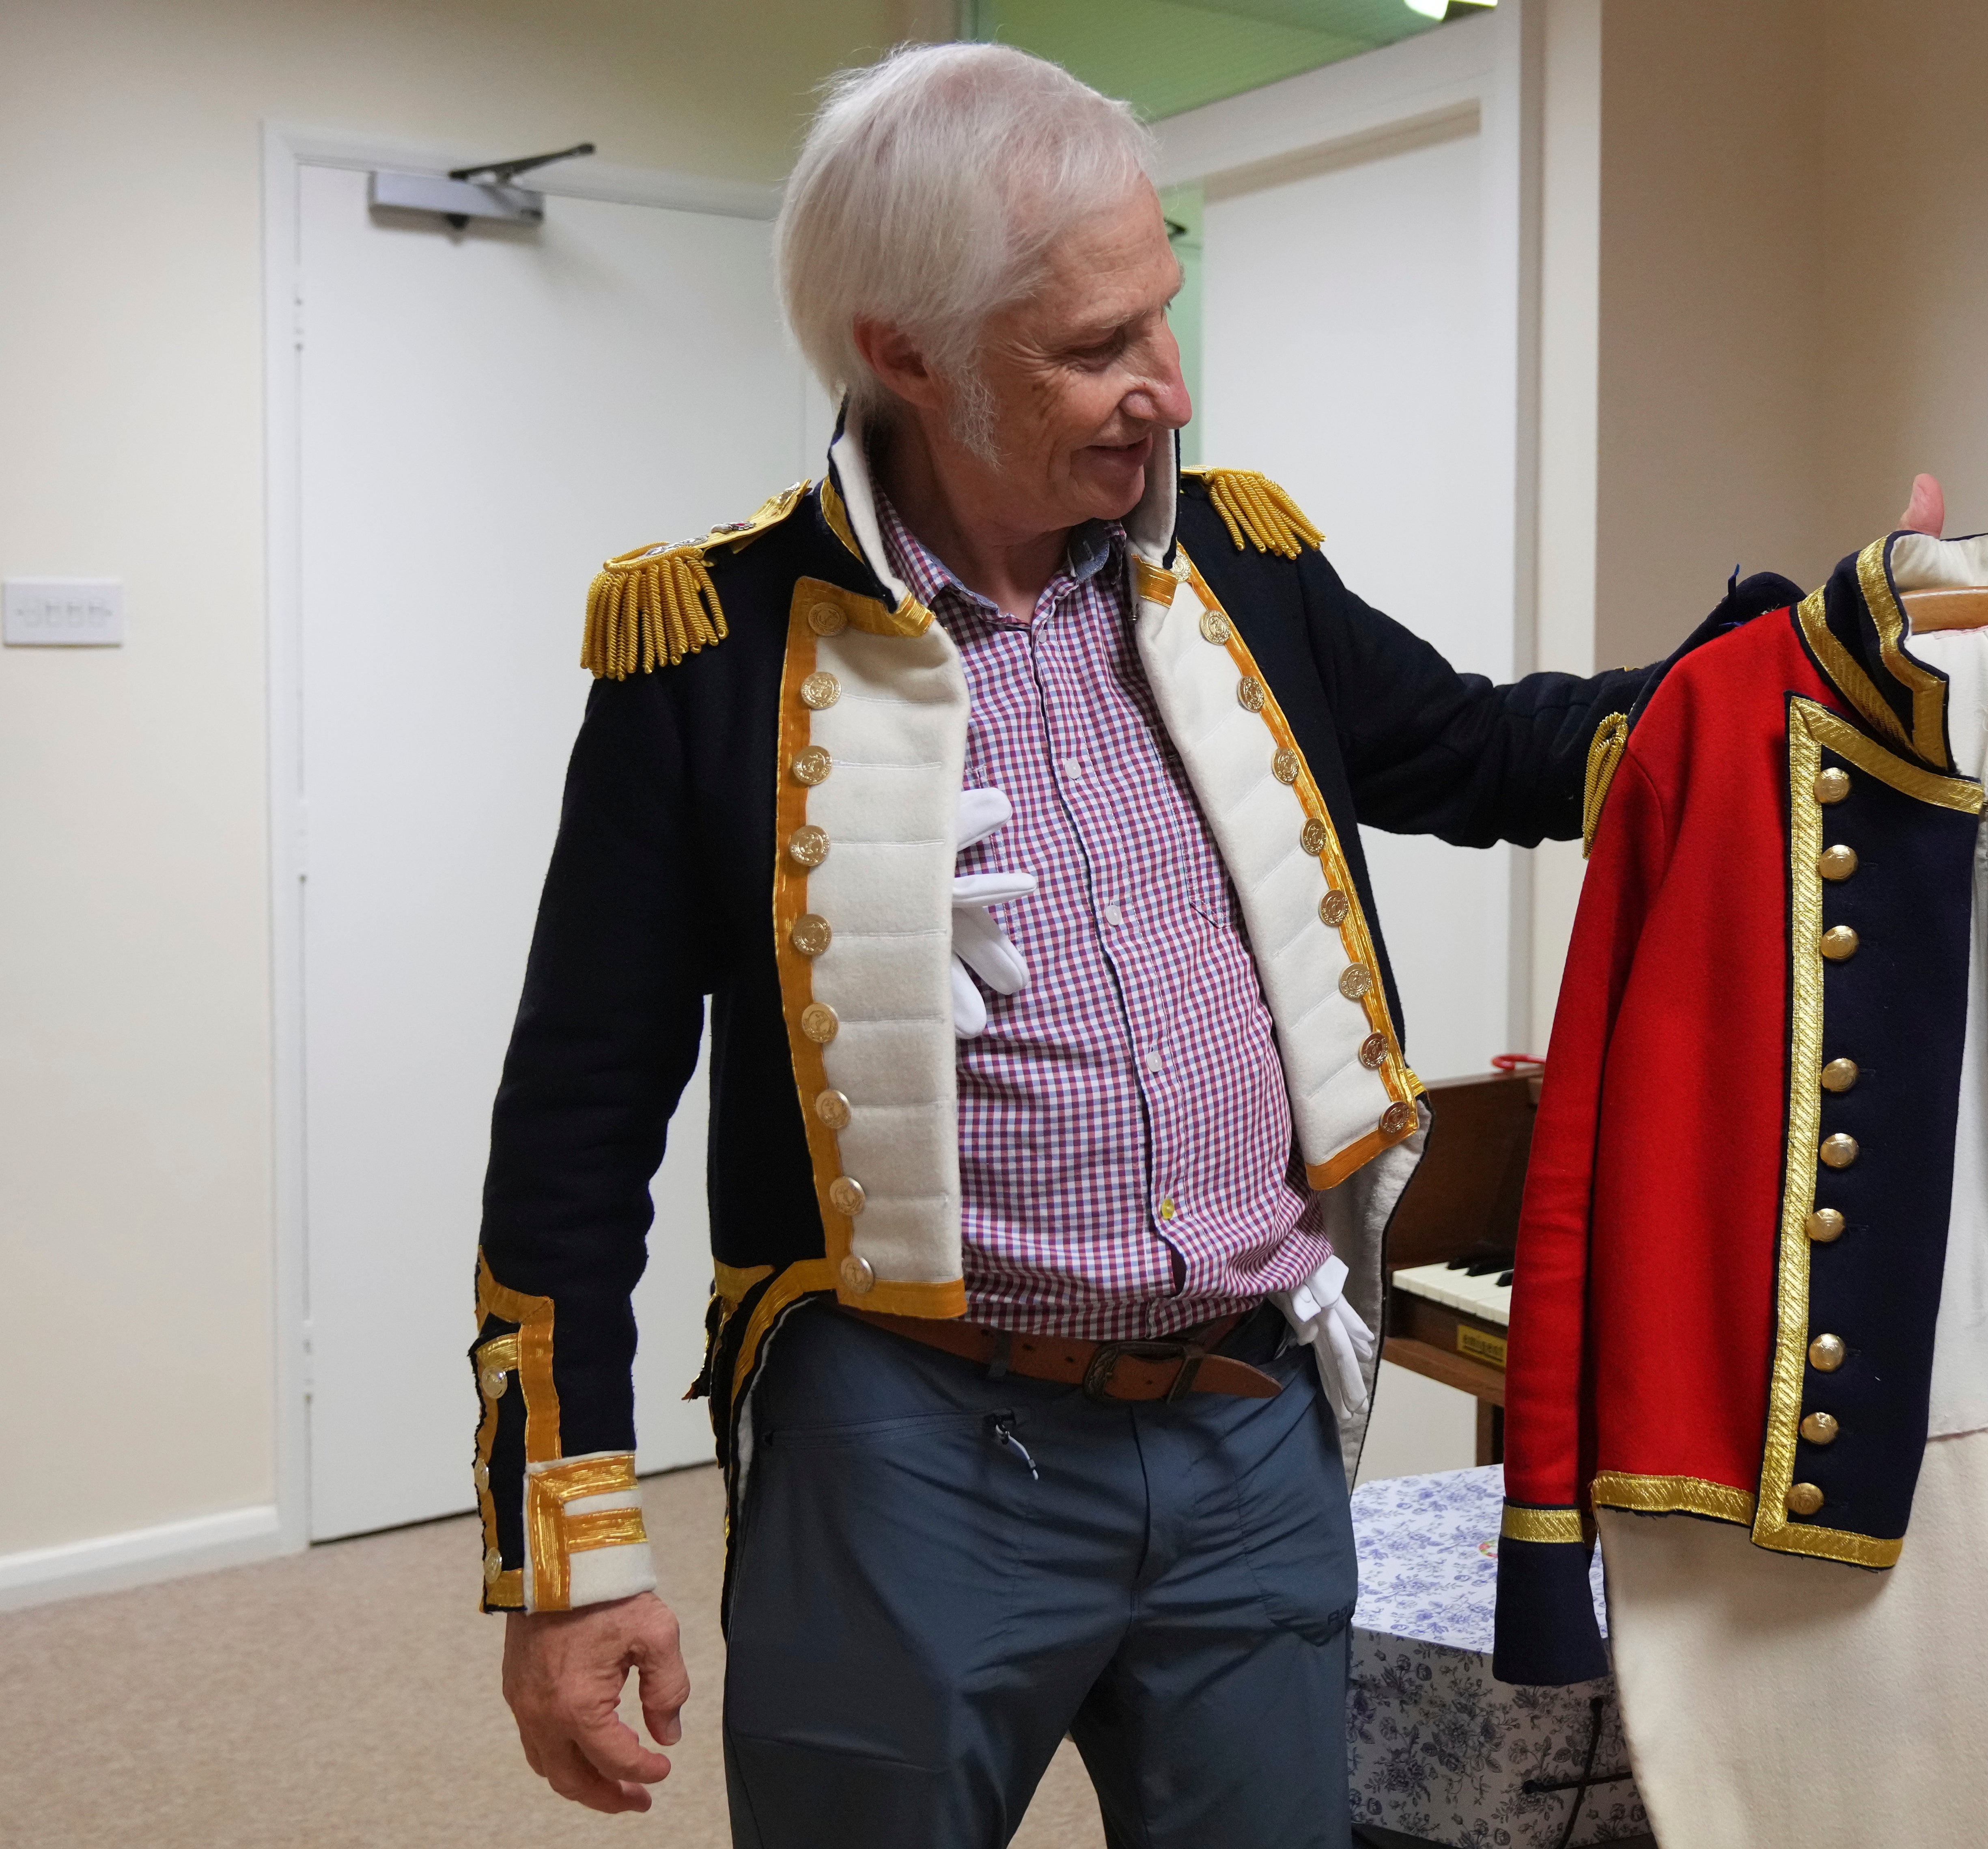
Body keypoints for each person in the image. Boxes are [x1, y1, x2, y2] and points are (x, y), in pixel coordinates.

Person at [469, 41, 1708, 1849]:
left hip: (1247, 1421)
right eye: (1093, 347)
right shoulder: (710, 651)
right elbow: (575, 1131)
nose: (1166, 387)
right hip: (904, 1449)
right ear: (902, 348)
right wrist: (564, 1560)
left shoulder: (1240, 567)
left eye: (1163, 318)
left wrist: (1791, 665)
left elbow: (1493, 746)